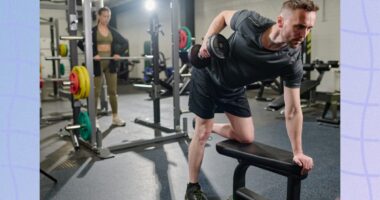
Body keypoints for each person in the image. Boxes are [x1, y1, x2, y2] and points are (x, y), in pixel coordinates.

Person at [185, 0, 318, 199]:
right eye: (299, 26)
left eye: (309, 28)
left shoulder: (292, 60)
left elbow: (292, 110)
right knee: (202, 132)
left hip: (235, 87)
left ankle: (210, 126)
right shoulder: (250, 22)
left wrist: (297, 151)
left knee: (246, 137)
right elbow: (222, 15)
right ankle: (192, 187)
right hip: (208, 76)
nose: (304, 34)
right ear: (281, 21)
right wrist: (208, 40)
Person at [79, 7, 128, 127]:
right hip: (97, 64)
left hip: (110, 63)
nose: (106, 18)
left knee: (113, 91)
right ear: (99, 16)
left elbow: (125, 42)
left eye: (108, 16)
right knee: (95, 92)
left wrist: (118, 53)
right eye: (104, 16)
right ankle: (94, 118)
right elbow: (81, 43)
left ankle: (115, 117)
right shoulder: (92, 31)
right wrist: (93, 54)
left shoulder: (112, 30)